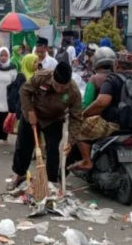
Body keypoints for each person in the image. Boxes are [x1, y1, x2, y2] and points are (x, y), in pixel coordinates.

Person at [71, 50, 132, 171]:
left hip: (113, 125)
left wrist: (84, 114)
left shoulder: (112, 79)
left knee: (79, 128)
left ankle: (86, 161)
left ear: (116, 65)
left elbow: (101, 102)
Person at [7, 60, 83, 190]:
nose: (60, 89)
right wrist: (29, 111)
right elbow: (24, 91)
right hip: (33, 114)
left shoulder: (73, 91)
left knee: (53, 150)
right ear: (53, 78)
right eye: (57, 86)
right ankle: (18, 175)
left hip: (54, 120)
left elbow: (76, 117)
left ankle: (51, 181)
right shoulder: (42, 77)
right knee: (24, 145)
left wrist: (71, 141)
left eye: (63, 88)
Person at [0, 47, 18, 147]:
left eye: (5, 55)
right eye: (1, 55)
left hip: (7, 97)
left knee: (5, 117)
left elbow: (15, 82)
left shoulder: (13, 68)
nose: (3, 57)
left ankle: (4, 137)